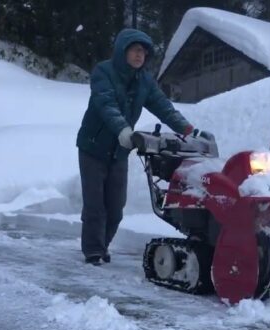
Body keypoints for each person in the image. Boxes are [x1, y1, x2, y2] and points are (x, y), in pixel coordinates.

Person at [76, 28, 195, 266]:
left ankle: (102, 245)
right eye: (135, 50)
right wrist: (123, 130)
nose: (140, 55)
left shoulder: (144, 82)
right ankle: (93, 251)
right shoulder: (104, 72)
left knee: (116, 207)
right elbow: (106, 105)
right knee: (95, 205)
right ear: (123, 51)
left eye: (143, 52)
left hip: (119, 151)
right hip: (93, 148)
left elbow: (163, 106)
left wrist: (186, 129)